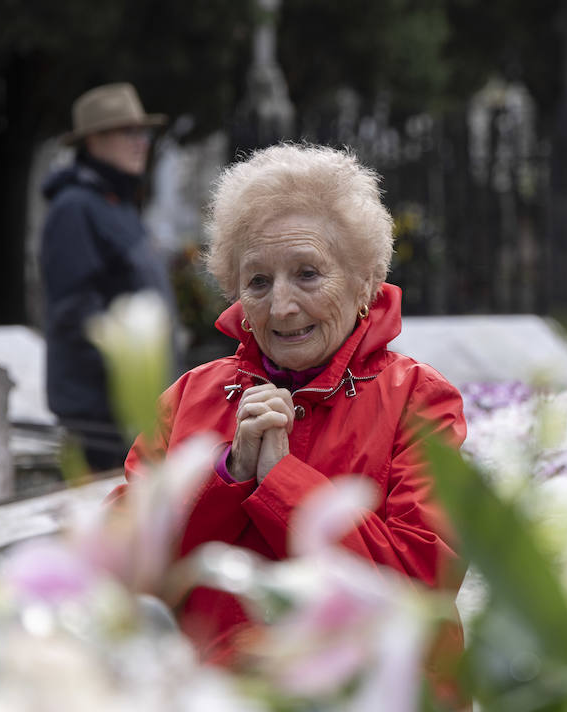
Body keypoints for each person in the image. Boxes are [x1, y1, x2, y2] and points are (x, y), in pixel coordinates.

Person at [115, 143, 467, 664]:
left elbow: (418, 588)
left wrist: (282, 481)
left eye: (307, 273)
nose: (281, 306)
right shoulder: (189, 398)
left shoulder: (418, 400)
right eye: (258, 281)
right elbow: (126, 571)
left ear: (365, 281)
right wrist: (229, 474)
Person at [40, 82, 178, 470]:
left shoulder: (113, 204)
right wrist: (129, 395)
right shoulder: (74, 209)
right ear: (94, 140)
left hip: (133, 415)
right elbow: (76, 314)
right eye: (129, 132)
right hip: (104, 420)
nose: (142, 143)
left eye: (145, 132)